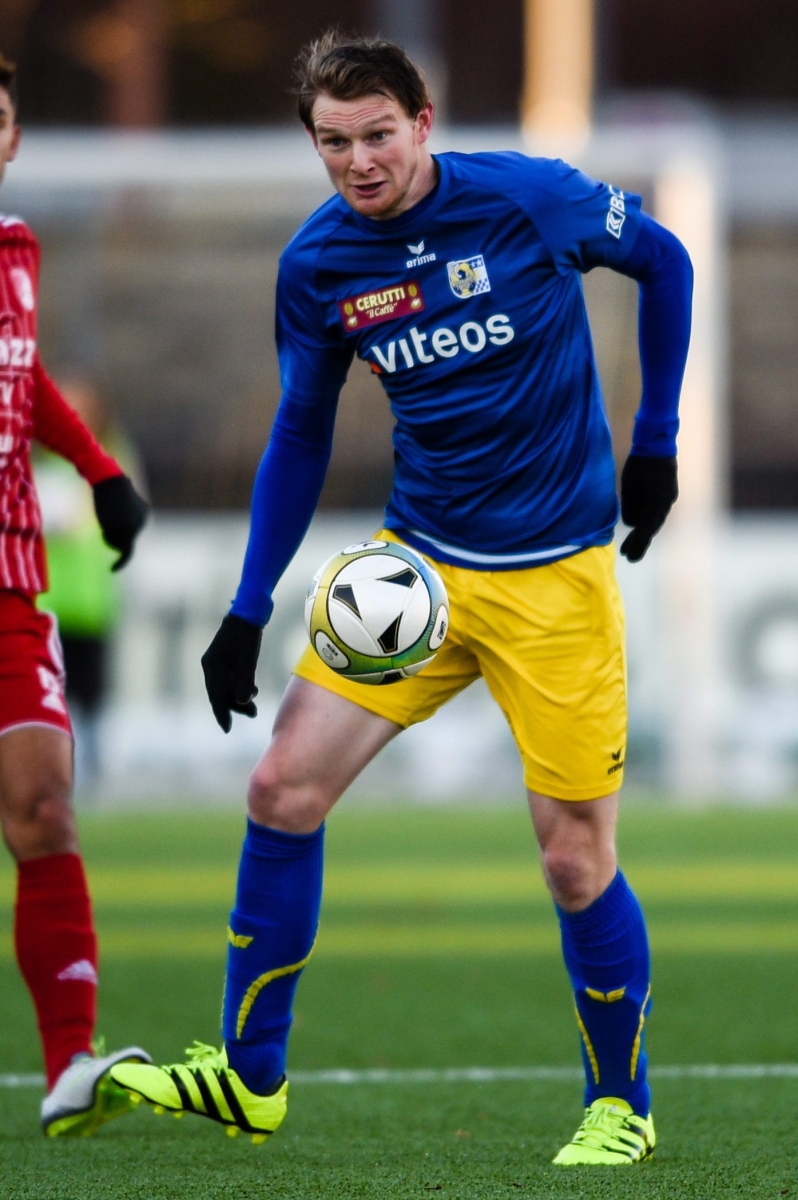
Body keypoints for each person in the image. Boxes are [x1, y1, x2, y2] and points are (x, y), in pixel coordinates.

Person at [112, 32, 692, 1163]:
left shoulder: (526, 200)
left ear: (422, 122)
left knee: (575, 858)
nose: (360, 163)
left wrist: (656, 443)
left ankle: (619, 1106)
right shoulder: (318, 264)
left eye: (379, 135)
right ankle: (250, 1079)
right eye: (336, 143)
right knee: (281, 787)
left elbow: (664, 260)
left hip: (553, 578)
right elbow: (300, 427)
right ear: (315, 144)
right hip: (414, 575)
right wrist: (245, 606)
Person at [0, 56, 151, 1137]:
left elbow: (23, 372)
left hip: (10, 573)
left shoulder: (14, 246)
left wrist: (98, 471)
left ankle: (70, 1064)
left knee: (47, 804)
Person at [35, 375, 144, 787]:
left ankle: (91, 775)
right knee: (50, 692)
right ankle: (54, 770)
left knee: (91, 691)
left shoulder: (110, 455)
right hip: (47, 597)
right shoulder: (41, 459)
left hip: (93, 596)